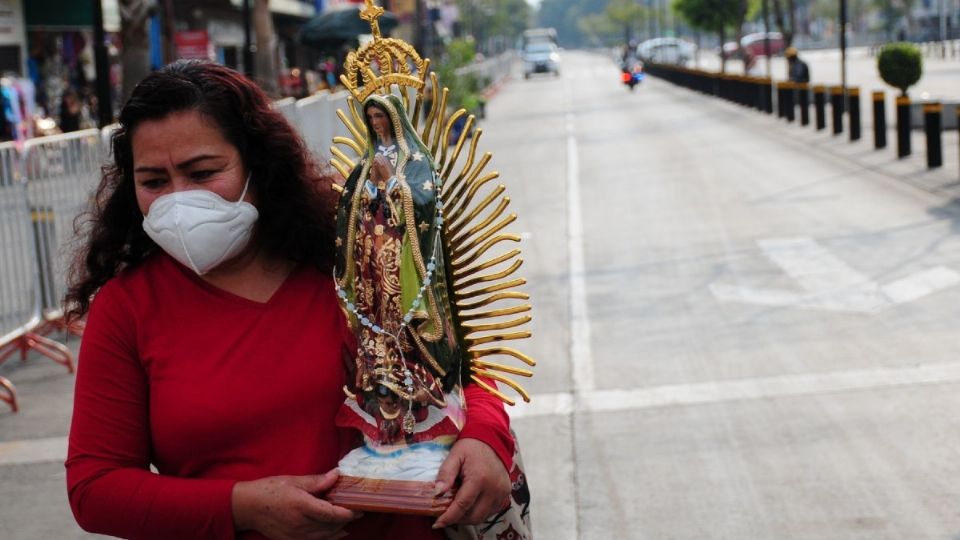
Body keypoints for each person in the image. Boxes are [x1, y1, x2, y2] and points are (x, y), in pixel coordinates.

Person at [63, 60, 514, 540]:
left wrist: (486, 439)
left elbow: (451, 370)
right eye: (154, 181)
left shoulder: (353, 252)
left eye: (202, 172)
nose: (179, 199)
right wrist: (242, 507)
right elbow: (95, 488)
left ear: (259, 166)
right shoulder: (128, 308)